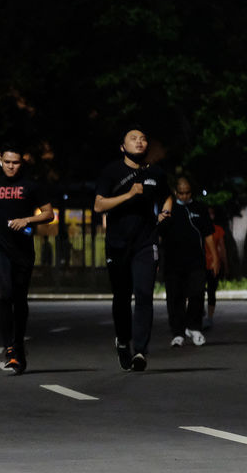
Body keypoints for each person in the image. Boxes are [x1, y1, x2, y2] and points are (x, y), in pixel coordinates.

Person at [94, 126, 169, 372]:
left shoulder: (155, 172)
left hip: (146, 242)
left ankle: (140, 351)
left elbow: (166, 196)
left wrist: (166, 211)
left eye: (143, 139)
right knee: (122, 296)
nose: (139, 142)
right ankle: (123, 341)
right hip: (118, 243)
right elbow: (99, 205)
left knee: (145, 294)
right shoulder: (111, 171)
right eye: (133, 139)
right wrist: (129, 194)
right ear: (122, 147)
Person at [0, 144, 53, 374]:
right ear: (1, 160)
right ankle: (9, 348)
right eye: (7, 161)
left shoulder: (31, 186)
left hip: (23, 250)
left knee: (19, 299)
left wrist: (27, 220)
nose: (11, 166)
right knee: (6, 293)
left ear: (22, 162)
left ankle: (18, 346)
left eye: (16, 162)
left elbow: (49, 214)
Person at [159, 178, 220, 347]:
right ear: (176, 192)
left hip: (195, 261)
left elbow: (208, 235)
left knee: (197, 293)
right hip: (173, 262)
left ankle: (194, 327)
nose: (184, 196)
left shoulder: (200, 208)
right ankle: (178, 332)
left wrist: (215, 258)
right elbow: (159, 233)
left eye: (187, 193)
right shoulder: (169, 208)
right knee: (175, 297)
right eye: (181, 193)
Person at [203, 206, 227, 330]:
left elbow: (222, 248)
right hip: (201, 264)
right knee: (198, 290)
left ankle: (210, 317)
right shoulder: (199, 228)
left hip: (214, 265)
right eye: (209, 213)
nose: (210, 216)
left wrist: (224, 263)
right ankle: (201, 313)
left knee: (211, 291)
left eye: (212, 213)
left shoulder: (218, 230)